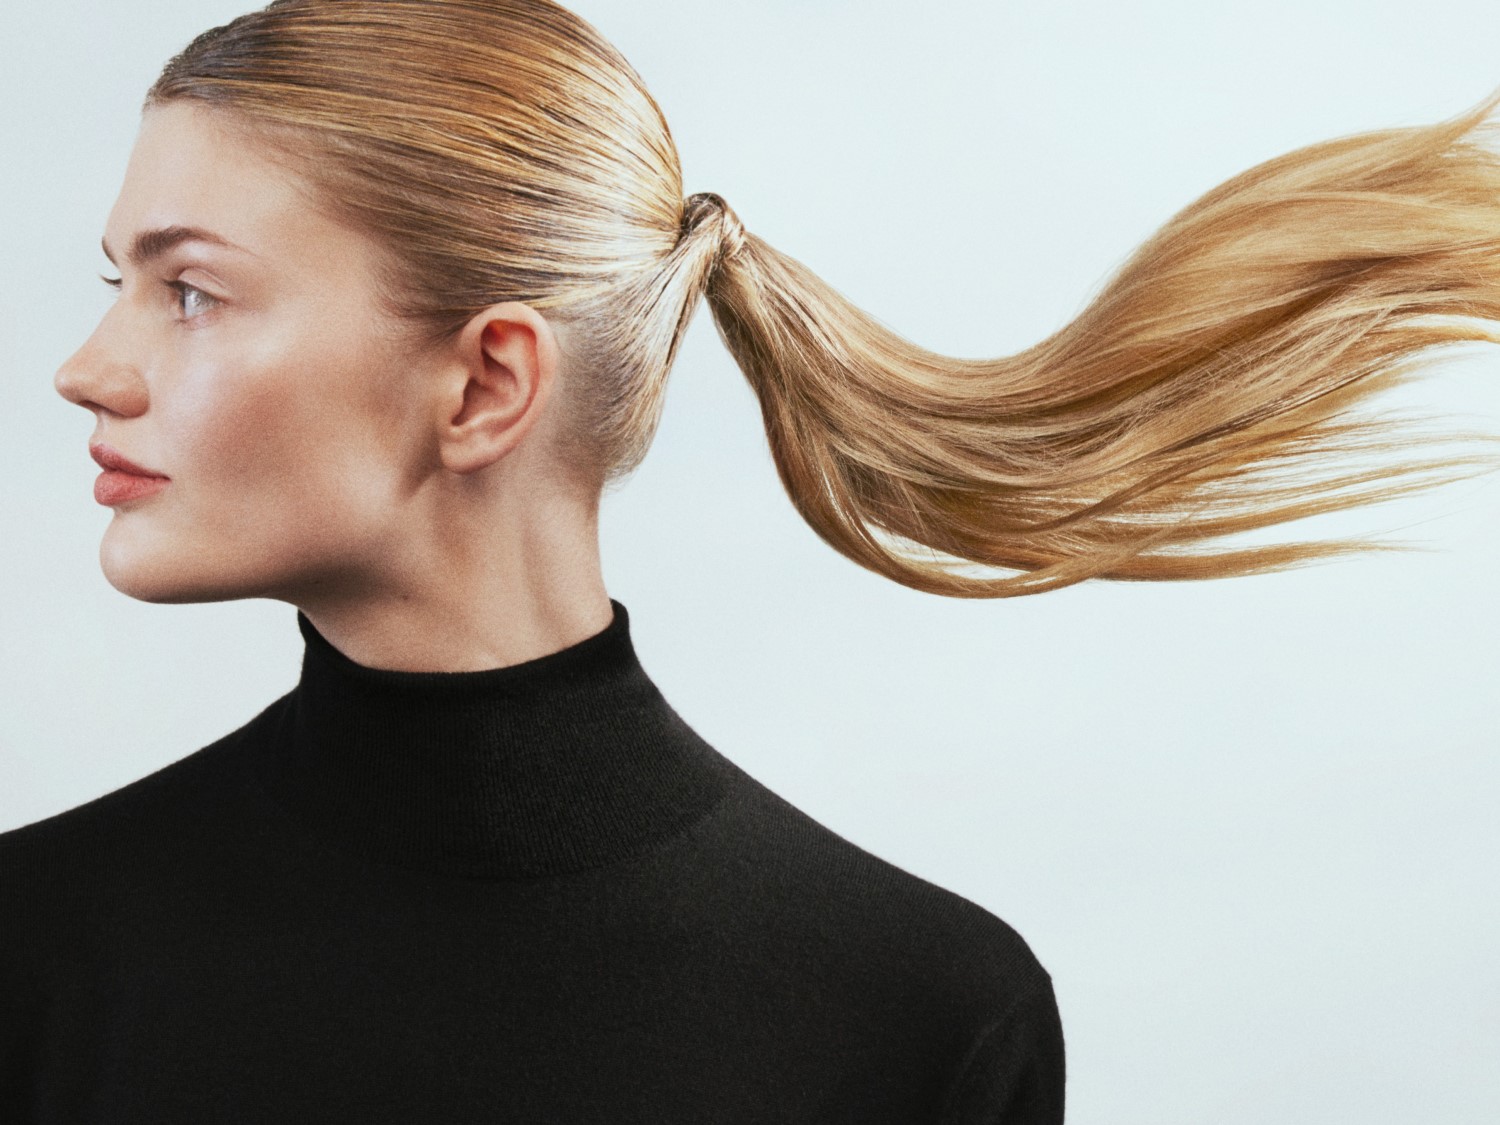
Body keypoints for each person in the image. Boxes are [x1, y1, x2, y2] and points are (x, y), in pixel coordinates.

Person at [4, 0, 1500, 1120]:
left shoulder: (923, 1019)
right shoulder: (36, 958)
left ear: (483, 385)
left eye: (189, 291)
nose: (87, 368)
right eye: (117, 283)